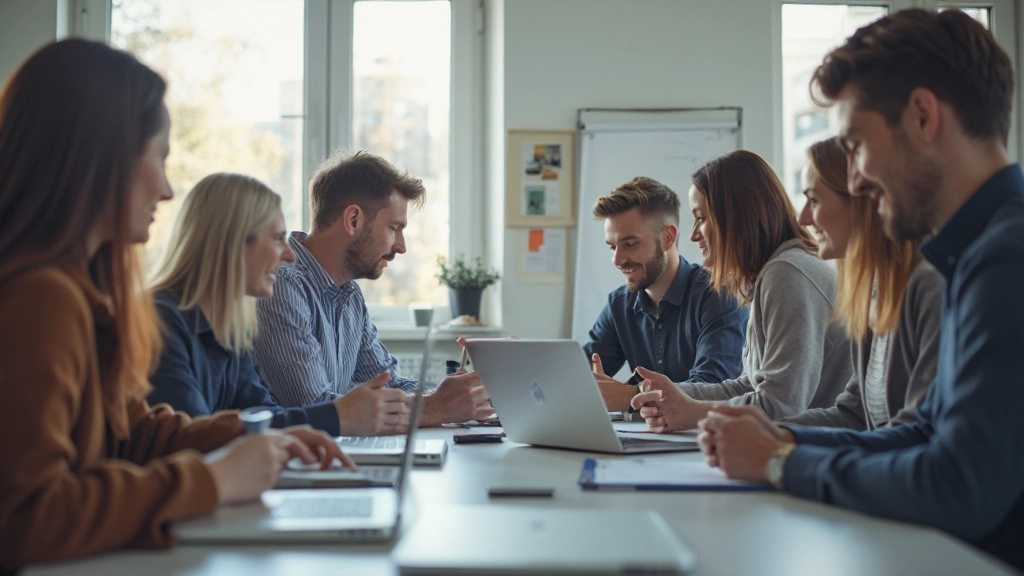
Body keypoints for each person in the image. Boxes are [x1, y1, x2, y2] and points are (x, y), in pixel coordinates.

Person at [0, 40, 352, 571]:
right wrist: (214, 479)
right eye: (160, 159)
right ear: (101, 157)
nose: (166, 190)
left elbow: (137, 432)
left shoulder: (83, 293)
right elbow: (25, 520)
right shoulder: (40, 299)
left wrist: (256, 436)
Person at [697, 9, 1024, 570]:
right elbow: (922, 431)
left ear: (922, 116)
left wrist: (780, 463)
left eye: (857, 145)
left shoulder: (1006, 260)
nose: (855, 182)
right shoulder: (975, 255)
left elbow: (958, 484)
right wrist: (784, 444)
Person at [148, 173, 411, 437]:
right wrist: (338, 415)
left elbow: (264, 416)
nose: (289, 254)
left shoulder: (226, 329)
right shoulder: (160, 323)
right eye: (277, 239)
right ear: (232, 242)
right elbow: (192, 439)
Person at [251, 151, 492, 427]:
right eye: (394, 228)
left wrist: (468, 395)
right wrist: (437, 407)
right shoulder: (281, 285)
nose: (401, 246)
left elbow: (388, 383)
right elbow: (313, 407)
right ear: (353, 220)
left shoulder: (349, 295)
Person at [631, 150, 852, 432]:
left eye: (702, 218)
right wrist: (671, 394)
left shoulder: (787, 274)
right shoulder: (770, 274)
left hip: (819, 454)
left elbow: (779, 406)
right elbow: (749, 385)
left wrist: (695, 413)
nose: (694, 234)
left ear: (736, 216)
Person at [778, 137, 943, 430]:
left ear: (860, 203)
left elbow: (916, 434)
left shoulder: (930, 288)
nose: (803, 218)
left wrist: (782, 452)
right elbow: (853, 414)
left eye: (814, 200)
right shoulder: (870, 293)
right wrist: (772, 432)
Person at [585, 176, 747, 412]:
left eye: (630, 244)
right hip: (646, 442)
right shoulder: (619, 305)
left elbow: (713, 386)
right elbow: (579, 375)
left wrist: (632, 396)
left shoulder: (718, 294)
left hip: (705, 442)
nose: (617, 260)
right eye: (612, 246)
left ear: (668, 237)